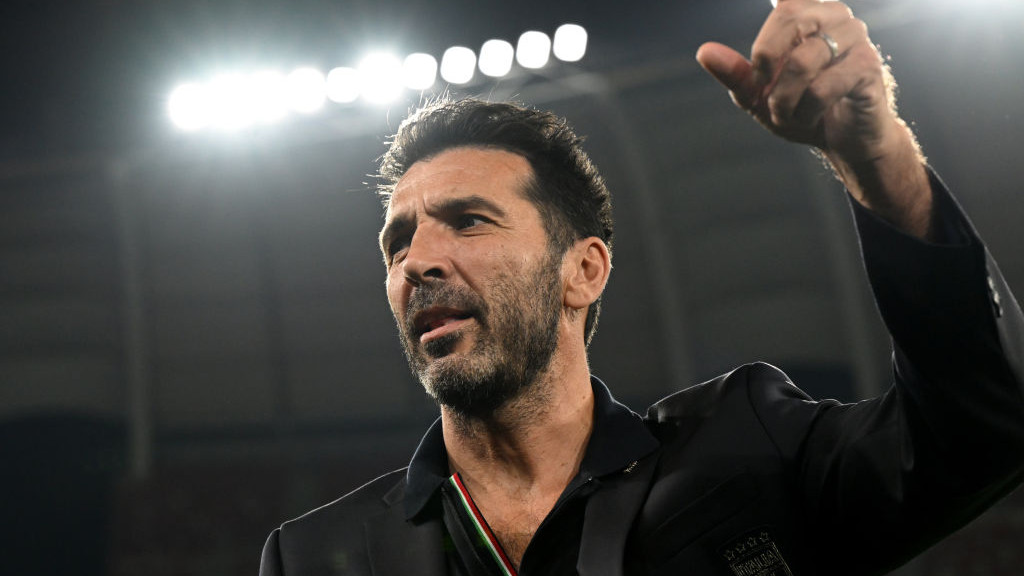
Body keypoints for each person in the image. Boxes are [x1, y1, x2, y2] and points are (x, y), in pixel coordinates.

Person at [260, 0, 1024, 574]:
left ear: (583, 270)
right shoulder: (319, 556)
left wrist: (874, 153)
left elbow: (983, 428)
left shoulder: (748, 450)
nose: (416, 260)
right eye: (397, 242)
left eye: (467, 222)